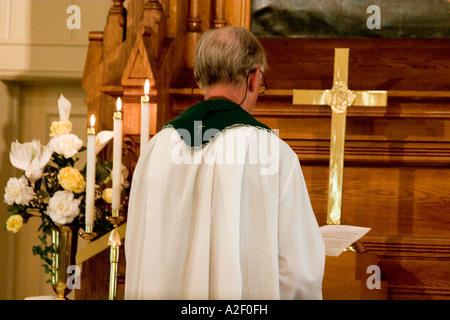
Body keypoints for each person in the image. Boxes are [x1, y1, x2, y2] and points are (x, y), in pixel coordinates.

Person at [124, 26, 325, 300]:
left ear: (200, 77)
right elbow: (298, 271)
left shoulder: (157, 148)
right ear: (253, 78)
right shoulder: (272, 153)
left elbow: (137, 251)